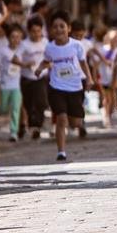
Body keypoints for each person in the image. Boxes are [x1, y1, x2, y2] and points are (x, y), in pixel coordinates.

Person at [35, 11, 92, 162]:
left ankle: (79, 122)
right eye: (55, 27)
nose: (58, 29)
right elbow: (46, 61)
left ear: (69, 28)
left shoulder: (77, 45)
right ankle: (61, 152)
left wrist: (89, 79)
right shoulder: (49, 47)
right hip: (56, 88)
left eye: (62, 26)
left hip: (75, 87)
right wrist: (40, 68)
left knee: (75, 123)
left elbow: (83, 63)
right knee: (61, 119)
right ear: (51, 30)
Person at [17, 16, 48, 140]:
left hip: (41, 77)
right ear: (29, 31)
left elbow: (51, 56)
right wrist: (25, 64)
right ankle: (30, 123)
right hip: (27, 78)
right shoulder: (24, 44)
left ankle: (37, 126)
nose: (36, 34)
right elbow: (16, 58)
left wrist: (49, 64)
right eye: (33, 31)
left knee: (41, 102)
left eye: (38, 31)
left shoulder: (45, 42)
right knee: (28, 103)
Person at [0, 24, 24, 142]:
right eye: (13, 37)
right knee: (4, 108)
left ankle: (13, 132)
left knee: (15, 108)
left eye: (18, 37)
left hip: (16, 85)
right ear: (8, 38)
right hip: (5, 84)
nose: (15, 39)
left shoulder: (22, 51)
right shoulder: (3, 51)